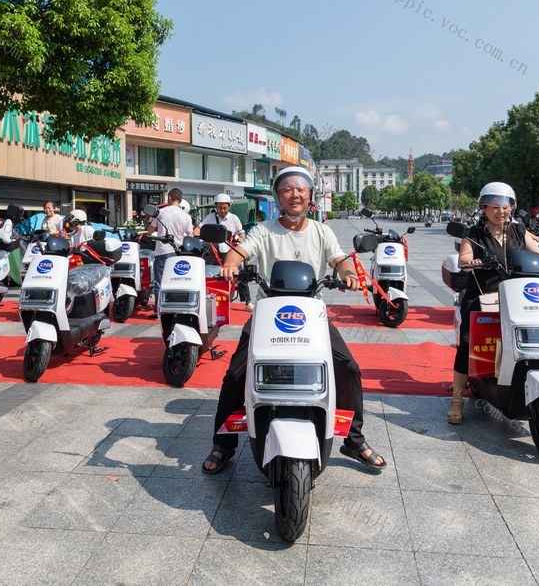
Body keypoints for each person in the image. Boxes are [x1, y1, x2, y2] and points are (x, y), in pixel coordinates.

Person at [201, 166, 387, 474]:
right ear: (278, 196)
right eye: (287, 189)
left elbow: (339, 260)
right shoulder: (264, 229)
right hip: (268, 312)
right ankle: (223, 443)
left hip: (311, 314)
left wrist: (349, 275)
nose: (295, 194)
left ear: (311, 196)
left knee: (348, 368)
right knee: (236, 372)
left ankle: (353, 439)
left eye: (301, 189)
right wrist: (231, 265)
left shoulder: (321, 231)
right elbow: (240, 252)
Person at [448, 182, 539, 424]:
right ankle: (457, 399)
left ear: (511, 208)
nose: (500, 212)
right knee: (468, 342)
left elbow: (538, 251)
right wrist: (472, 262)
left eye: (505, 207)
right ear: (483, 207)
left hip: (519, 295)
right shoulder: (473, 235)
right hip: (483, 295)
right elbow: (464, 257)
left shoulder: (519, 230)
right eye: (494, 207)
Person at [196, 193, 252, 310]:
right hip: (214, 252)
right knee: (208, 275)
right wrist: (199, 234)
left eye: (225, 207)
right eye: (220, 207)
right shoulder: (210, 217)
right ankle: (207, 300)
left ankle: (247, 302)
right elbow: (197, 230)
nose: (222, 210)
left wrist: (240, 238)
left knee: (240, 274)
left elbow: (242, 233)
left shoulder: (234, 218)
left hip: (230, 252)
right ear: (216, 207)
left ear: (229, 206)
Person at [146, 188, 194, 316]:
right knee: (176, 280)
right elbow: (190, 236)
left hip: (163, 251)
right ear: (180, 199)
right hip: (179, 252)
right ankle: (174, 307)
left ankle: (158, 310)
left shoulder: (160, 213)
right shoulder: (186, 216)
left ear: (169, 198)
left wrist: (147, 232)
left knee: (159, 282)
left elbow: (150, 230)